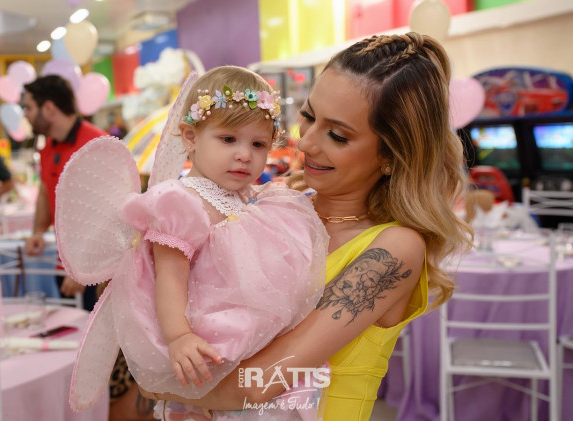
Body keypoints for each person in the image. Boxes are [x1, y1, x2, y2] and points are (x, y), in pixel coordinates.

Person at [142, 32, 472, 421]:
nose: (305, 143)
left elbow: (261, 382)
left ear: (391, 155)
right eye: (309, 116)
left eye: (338, 135)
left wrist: (155, 382)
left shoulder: (395, 249)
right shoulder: (276, 204)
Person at [57, 66, 328, 421]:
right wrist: (179, 336)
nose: (245, 155)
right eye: (228, 139)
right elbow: (171, 275)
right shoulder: (182, 202)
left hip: (252, 340)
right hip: (204, 339)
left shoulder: (254, 199)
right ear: (190, 138)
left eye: (258, 144)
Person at [21, 75, 107, 311]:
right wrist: (38, 231)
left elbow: (109, 213)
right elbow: (45, 191)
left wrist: (85, 268)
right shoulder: (48, 147)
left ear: (48, 108)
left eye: (29, 107)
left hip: (98, 268)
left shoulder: (97, 144)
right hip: (65, 262)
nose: (25, 115)